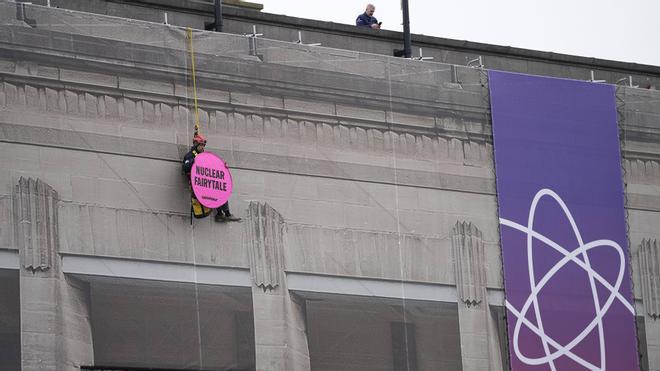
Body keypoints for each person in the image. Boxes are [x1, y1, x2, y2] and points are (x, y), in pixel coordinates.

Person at [182, 134, 241, 222]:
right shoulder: (190, 155)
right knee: (215, 192)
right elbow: (185, 167)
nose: (203, 147)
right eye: (201, 145)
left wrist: (222, 167)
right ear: (196, 145)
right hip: (197, 185)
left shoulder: (204, 156)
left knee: (219, 190)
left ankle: (221, 214)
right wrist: (195, 160)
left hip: (204, 184)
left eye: (203, 145)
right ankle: (224, 214)